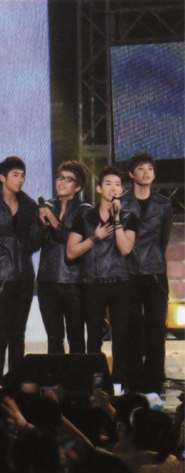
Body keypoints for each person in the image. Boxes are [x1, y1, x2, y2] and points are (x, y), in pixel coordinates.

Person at [0, 156, 44, 382]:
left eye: (22, 175)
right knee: (0, 334)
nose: (20, 179)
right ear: (2, 177)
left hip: (24, 278)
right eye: (15, 175)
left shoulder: (30, 206)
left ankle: (15, 385)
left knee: (18, 335)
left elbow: (33, 245)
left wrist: (41, 225)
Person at [67, 165, 139, 385]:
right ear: (99, 188)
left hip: (120, 284)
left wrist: (117, 221)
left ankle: (118, 386)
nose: (113, 188)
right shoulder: (85, 217)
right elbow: (71, 252)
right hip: (92, 284)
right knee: (94, 338)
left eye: (117, 185)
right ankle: (95, 385)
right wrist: (95, 237)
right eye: (108, 184)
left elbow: (125, 249)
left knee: (121, 338)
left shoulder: (129, 217)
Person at [120, 152, 174, 395]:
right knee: (130, 328)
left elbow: (163, 239)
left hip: (155, 272)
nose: (146, 173)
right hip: (128, 272)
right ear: (131, 173)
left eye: (150, 169)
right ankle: (132, 381)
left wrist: (153, 260)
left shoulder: (164, 204)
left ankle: (155, 381)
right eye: (141, 169)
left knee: (156, 329)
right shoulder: (121, 202)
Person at [35, 161, 90, 357]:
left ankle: (77, 376)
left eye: (69, 179)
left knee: (76, 337)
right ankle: (55, 375)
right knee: (54, 338)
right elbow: (33, 243)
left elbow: (73, 243)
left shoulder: (85, 210)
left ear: (78, 186)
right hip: (47, 281)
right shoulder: (47, 207)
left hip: (74, 281)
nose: (62, 183)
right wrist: (40, 225)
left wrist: (53, 221)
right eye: (60, 178)